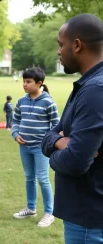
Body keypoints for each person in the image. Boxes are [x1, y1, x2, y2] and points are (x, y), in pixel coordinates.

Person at [42, 14, 103, 243]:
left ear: (77, 45)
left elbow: (76, 162)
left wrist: (53, 155)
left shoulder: (95, 90)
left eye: (61, 45)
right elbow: (50, 134)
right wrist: (60, 142)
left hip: (89, 220)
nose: (59, 51)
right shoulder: (87, 84)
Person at [11, 67, 59, 227]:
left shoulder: (48, 102)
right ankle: (31, 208)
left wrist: (48, 141)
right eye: (24, 81)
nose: (24, 84)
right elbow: (15, 121)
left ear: (39, 83)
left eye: (28, 81)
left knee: (43, 179)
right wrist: (15, 134)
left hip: (41, 148)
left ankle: (49, 213)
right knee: (29, 177)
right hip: (24, 147)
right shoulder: (21, 101)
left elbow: (56, 125)